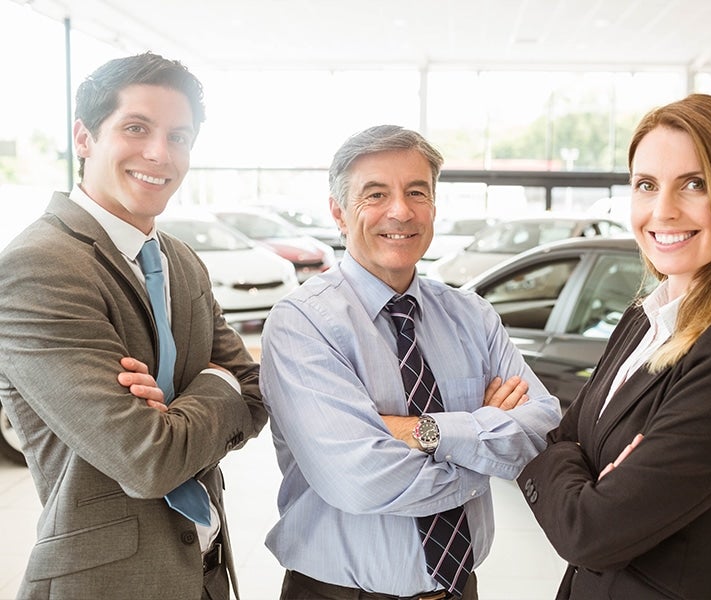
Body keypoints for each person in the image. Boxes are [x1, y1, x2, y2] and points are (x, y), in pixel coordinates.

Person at [0, 52, 267, 599]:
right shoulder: (39, 266)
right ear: (84, 137)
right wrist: (214, 385)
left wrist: (177, 418)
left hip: (207, 573)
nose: (159, 153)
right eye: (136, 128)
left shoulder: (179, 259)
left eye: (179, 136)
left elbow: (259, 391)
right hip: (109, 583)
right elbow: (146, 459)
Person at [260, 124, 561, 599]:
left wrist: (425, 432)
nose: (400, 211)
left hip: (460, 589)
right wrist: (484, 448)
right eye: (375, 194)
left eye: (416, 192)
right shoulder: (302, 323)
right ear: (339, 212)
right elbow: (361, 480)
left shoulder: (472, 315)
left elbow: (541, 430)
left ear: (434, 207)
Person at [516, 93, 711, 599]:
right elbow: (565, 437)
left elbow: (590, 530)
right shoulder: (644, 317)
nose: (662, 210)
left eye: (694, 184)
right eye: (646, 185)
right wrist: (576, 460)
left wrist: (570, 461)